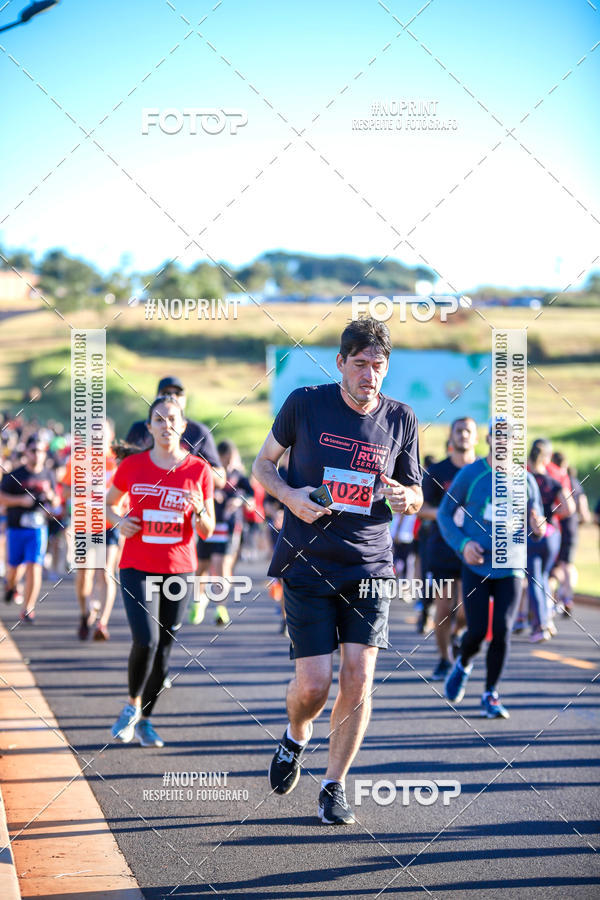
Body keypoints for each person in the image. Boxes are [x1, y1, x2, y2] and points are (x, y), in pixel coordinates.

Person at [253, 317, 423, 825]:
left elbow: (415, 493)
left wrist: (404, 497)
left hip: (370, 563)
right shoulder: (304, 404)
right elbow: (261, 466)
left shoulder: (402, 419)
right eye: (361, 364)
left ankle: (334, 785)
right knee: (314, 684)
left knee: (359, 676)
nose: (371, 375)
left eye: (379, 366)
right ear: (341, 364)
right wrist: (288, 495)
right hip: (307, 560)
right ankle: (296, 734)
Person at [106, 397, 215, 747]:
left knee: (165, 649)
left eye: (172, 419)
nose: (166, 425)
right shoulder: (133, 466)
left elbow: (208, 530)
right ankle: (131, 706)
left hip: (179, 570)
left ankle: (146, 721)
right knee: (146, 640)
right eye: (159, 419)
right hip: (137, 566)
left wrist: (200, 513)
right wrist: (120, 521)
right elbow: (109, 504)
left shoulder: (198, 471)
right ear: (149, 427)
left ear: (183, 426)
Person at [438, 420, 546, 719]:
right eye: (498, 436)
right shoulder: (471, 474)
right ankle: (463, 663)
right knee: (475, 631)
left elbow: (538, 524)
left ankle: (490, 694)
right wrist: (463, 544)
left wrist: (539, 526)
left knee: (502, 630)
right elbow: (446, 514)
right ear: (488, 439)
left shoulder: (526, 481)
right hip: (477, 564)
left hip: (510, 566)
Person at [418, 418, 478, 680]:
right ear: (451, 437)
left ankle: (456, 633)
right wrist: (447, 514)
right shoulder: (437, 472)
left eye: (468, 431)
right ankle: (444, 659)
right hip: (443, 548)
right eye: (459, 431)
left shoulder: (484, 471)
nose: (463, 435)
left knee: (466, 611)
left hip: (476, 550)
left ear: (476, 438)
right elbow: (421, 509)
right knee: (443, 610)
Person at [62, 420, 121, 640]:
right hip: (85, 523)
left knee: (105, 572)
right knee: (84, 575)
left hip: (110, 523)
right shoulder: (78, 459)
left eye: (102, 433)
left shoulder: (118, 460)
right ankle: (85, 613)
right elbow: (66, 490)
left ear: (111, 435)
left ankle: (102, 624)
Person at [189, 439, 254, 627]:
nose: (228, 462)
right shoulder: (210, 472)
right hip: (207, 524)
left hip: (228, 527)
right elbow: (195, 490)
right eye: (225, 458)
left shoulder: (237, 476)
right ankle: (198, 602)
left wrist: (239, 501)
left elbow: (251, 496)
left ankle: (220, 608)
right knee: (201, 567)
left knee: (220, 567)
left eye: (231, 458)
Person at [0, 435, 59, 622]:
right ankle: (11, 586)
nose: (37, 455)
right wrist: (20, 501)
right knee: (13, 569)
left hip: (38, 528)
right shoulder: (15, 475)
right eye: (33, 451)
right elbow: (1, 498)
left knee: (34, 566)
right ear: (26, 452)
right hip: (16, 528)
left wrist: (51, 497)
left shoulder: (48, 474)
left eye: (41, 451)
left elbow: (57, 500)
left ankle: (28, 608)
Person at [126, 376, 225, 487]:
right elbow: (123, 467)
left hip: (184, 498)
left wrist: (188, 469)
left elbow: (221, 478)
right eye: (166, 393)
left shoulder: (199, 432)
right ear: (156, 397)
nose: (172, 397)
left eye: (178, 393)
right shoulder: (140, 429)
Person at [526, 440, 575, 639]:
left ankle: (541, 625)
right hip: (551, 533)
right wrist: (552, 516)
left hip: (531, 533)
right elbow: (569, 508)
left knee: (534, 580)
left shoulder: (524, 480)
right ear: (547, 458)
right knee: (544, 578)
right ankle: (547, 619)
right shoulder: (554, 481)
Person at [550, 453, 590, 616]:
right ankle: (567, 597)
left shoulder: (555, 480)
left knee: (557, 566)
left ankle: (559, 599)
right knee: (568, 564)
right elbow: (582, 504)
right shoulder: (574, 481)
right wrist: (583, 518)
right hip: (572, 526)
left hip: (558, 526)